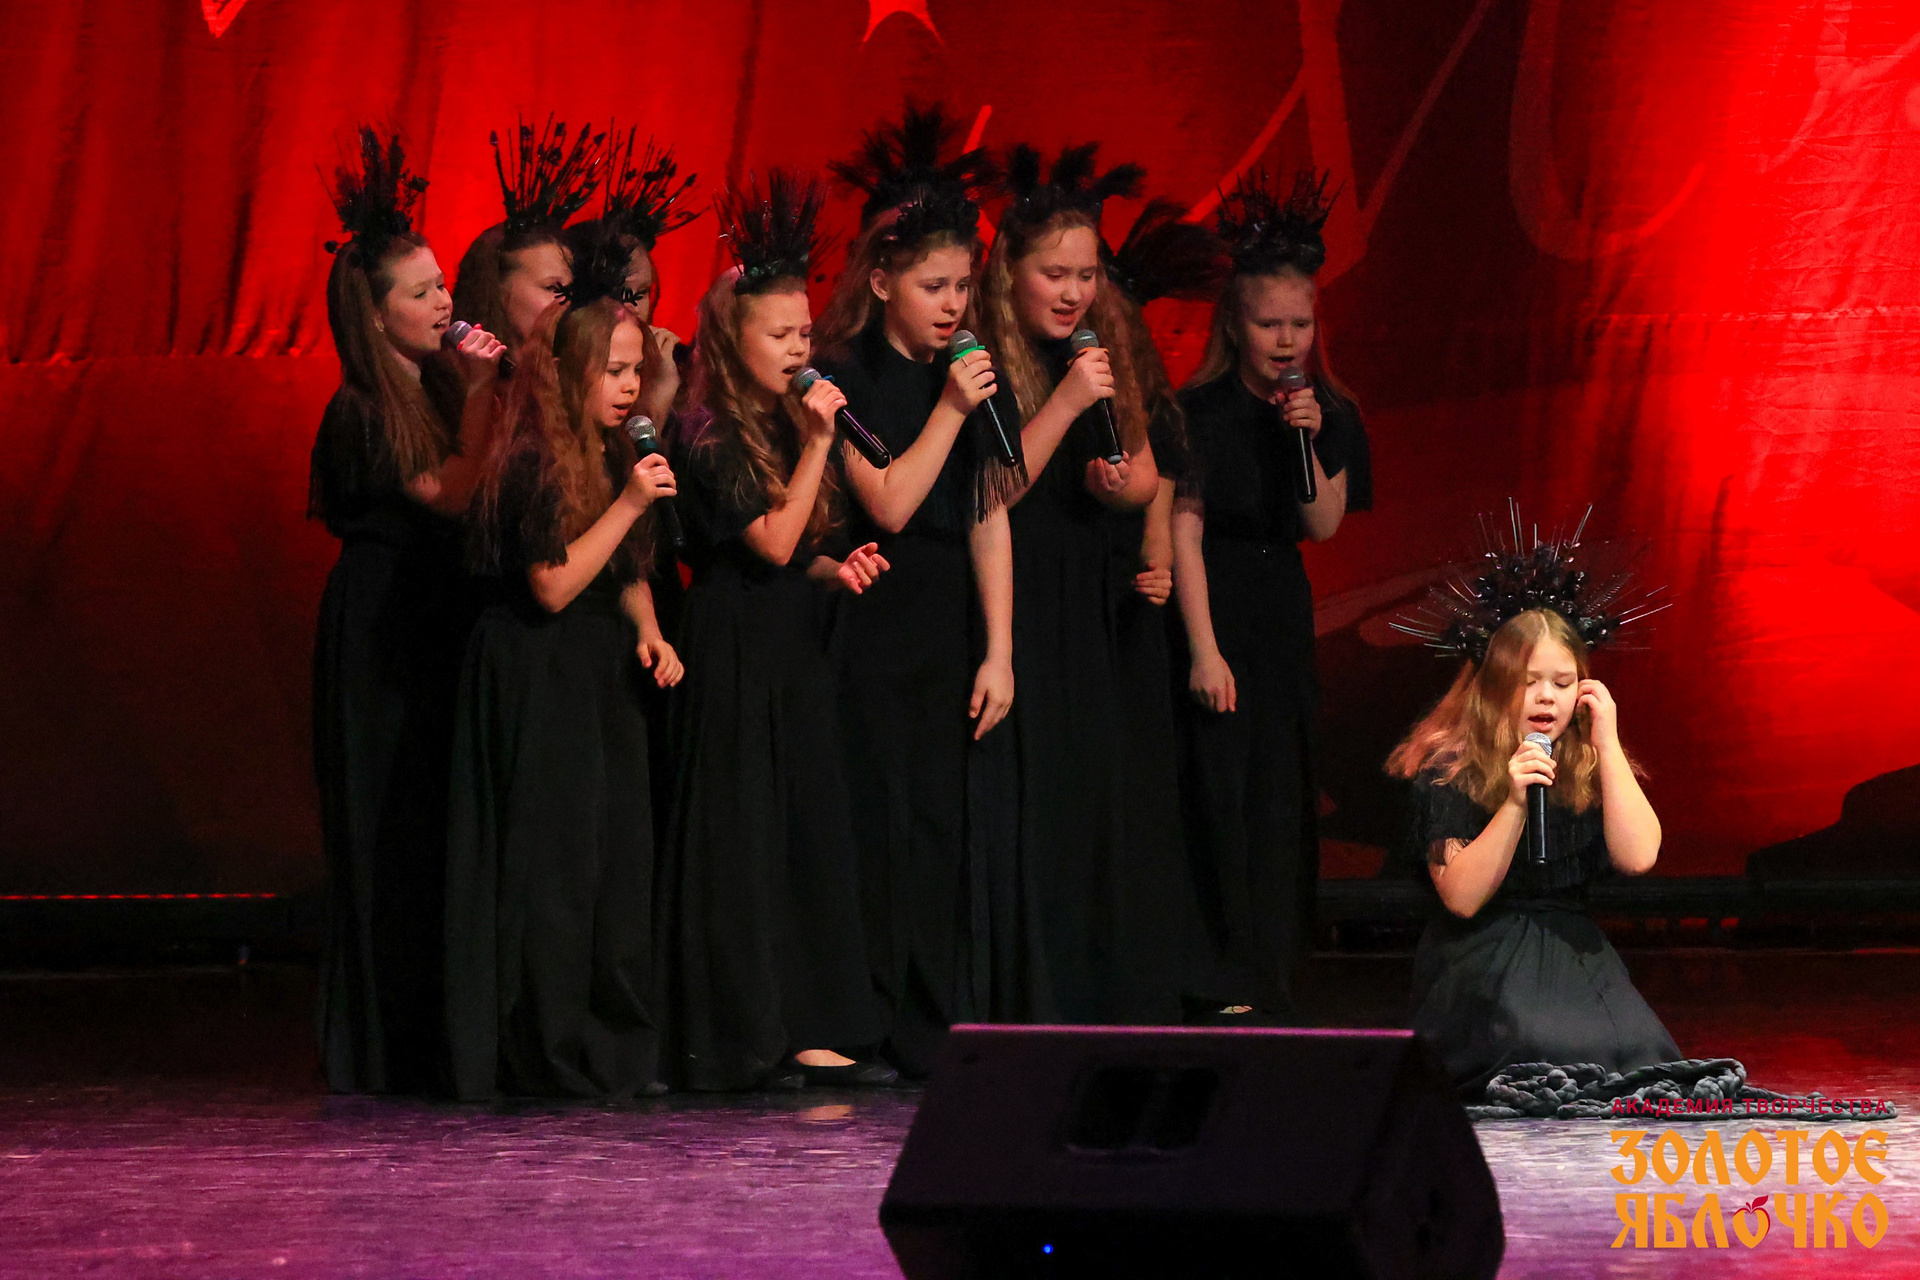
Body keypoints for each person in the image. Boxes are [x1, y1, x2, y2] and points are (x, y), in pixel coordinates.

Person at [658, 172, 898, 1091]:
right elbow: (765, 540)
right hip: (733, 650)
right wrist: (819, 443)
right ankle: (746, 1030)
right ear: (734, 340)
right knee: (747, 837)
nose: (802, 348)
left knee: (807, 831)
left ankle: (816, 1022)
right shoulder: (707, 431)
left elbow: (800, 551)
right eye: (781, 334)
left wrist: (838, 569)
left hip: (793, 647)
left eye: (804, 332)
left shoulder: (780, 422)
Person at [442, 217, 682, 1101]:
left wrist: (649, 628)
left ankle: (612, 1047)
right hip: (540, 671)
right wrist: (628, 504)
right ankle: (548, 1047)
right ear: (570, 371)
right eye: (613, 372)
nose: (628, 388)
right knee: (557, 869)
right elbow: (550, 584)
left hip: (599, 669)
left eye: (633, 371)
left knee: (616, 859)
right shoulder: (532, 455)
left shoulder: (613, 448)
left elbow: (625, 569)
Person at [813, 103, 1016, 1074]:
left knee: (938, 820)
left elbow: (986, 509)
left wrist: (1001, 648)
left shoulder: (962, 373)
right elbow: (889, 501)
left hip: (944, 618)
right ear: (882, 280)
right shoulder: (844, 374)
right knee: (872, 815)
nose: (950, 304)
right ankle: (862, 1011)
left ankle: (932, 1021)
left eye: (962, 286)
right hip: (870, 611)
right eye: (933, 286)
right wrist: (949, 408)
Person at [974, 142, 1194, 1024]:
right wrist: (1064, 403)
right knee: (1032, 789)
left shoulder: (1100, 348)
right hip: (1016, 588)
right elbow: (993, 487)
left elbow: (1144, 472)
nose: (1072, 293)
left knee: (1091, 792)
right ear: (1011, 273)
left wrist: (1123, 487)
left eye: (1086, 274)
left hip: (1088, 595)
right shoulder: (988, 356)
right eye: (1054, 275)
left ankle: (1098, 980)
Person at [309, 128, 507, 1094]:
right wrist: (481, 392)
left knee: (437, 828)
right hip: (384, 632)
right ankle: (386, 1047)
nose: (443, 304)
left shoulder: (433, 384)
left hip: (436, 619)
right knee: (388, 827)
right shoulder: (363, 409)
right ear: (376, 313)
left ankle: (438, 1034)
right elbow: (455, 493)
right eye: (422, 293)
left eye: (441, 286)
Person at [1171, 171, 1372, 1021]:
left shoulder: (1329, 411)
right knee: (1219, 788)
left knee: (1281, 793)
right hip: (1214, 602)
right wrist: (1203, 648)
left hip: (1280, 605)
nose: (1286, 340)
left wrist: (1311, 441)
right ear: (1236, 325)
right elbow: (1182, 528)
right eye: (1269, 324)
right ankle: (1218, 975)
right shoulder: (1198, 411)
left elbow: (1322, 524)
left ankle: (1274, 972)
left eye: (1300, 324)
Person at [1387, 575, 1677, 1095]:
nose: (1546, 696)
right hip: (1484, 955)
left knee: (1638, 1053)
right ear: (1498, 684)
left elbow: (1638, 857)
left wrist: (1607, 744)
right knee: (1536, 1048)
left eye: (1563, 683)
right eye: (1529, 681)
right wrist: (1515, 803)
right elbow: (1462, 898)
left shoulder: (1590, 761)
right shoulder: (1449, 771)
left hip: (1573, 952)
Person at [452, 116, 605, 357]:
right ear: (497, 290)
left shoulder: (571, 369)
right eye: (552, 287)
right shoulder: (453, 373)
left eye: (569, 289)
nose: (566, 302)